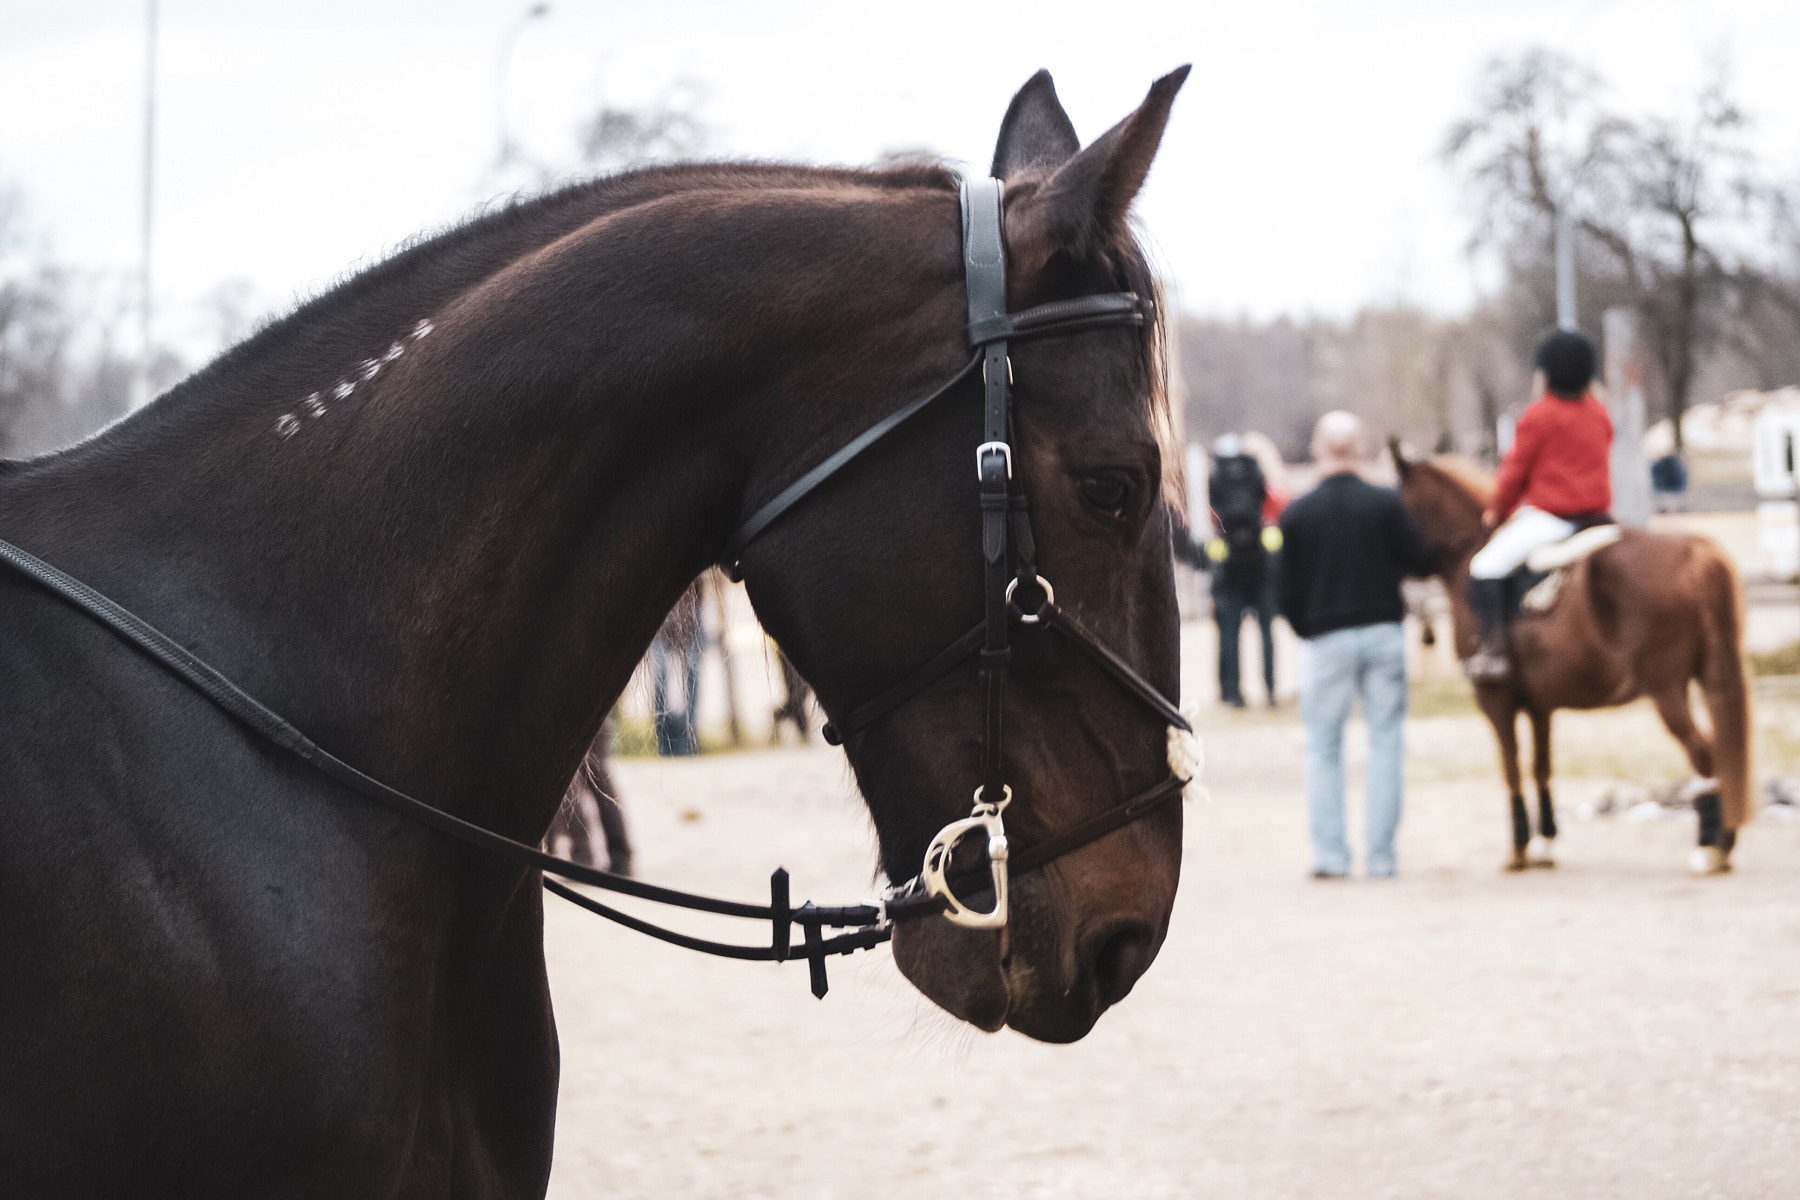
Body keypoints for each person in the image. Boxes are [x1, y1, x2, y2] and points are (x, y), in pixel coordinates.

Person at [1279, 411, 1434, 878]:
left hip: (1327, 637)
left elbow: (1285, 593)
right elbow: (1420, 560)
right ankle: (1382, 857)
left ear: (1318, 449)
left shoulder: (1297, 513)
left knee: (1324, 747)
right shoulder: (1387, 505)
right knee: (1386, 742)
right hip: (1384, 632)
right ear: (1361, 450)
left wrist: (1309, 628)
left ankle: (1331, 856)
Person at [1465, 331, 1613, 682]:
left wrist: (1496, 512)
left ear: (1547, 373)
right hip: (1600, 518)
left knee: (1485, 565)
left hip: (1556, 518)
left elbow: (1515, 473)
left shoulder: (1539, 415)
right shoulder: (1598, 413)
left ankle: (1494, 651)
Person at [1205, 434, 1280, 708]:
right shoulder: (1254, 471)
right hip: (1258, 561)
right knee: (1266, 631)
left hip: (1229, 565)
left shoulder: (1217, 475)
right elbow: (1269, 503)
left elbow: (1210, 514)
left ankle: (1231, 693)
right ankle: (1270, 688)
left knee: (1229, 631)